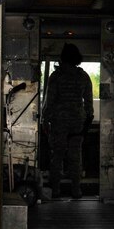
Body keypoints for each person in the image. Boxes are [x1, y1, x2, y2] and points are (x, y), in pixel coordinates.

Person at [42, 43, 94, 199]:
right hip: (77, 122)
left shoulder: (56, 76)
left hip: (59, 121)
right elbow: (89, 102)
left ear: (62, 58)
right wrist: (87, 120)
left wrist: (45, 119)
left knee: (57, 155)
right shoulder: (83, 76)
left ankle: (56, 189)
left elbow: (49, 101)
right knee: (75, 156)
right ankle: (76, 190)